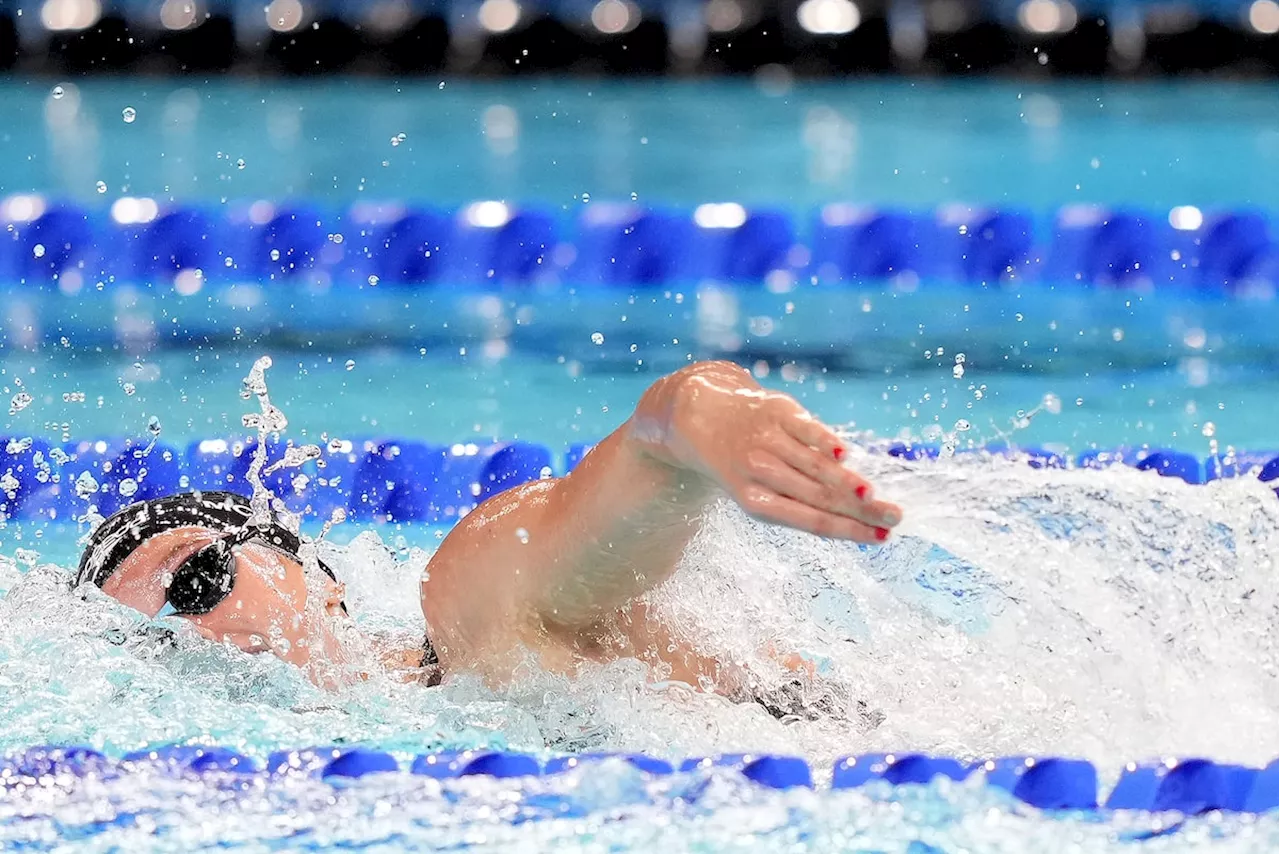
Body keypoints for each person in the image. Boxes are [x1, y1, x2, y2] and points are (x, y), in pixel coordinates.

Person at [77, 361, 903, 705]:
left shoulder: (469, 599)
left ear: (321, 578)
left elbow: (646, 453)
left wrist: (703, 416)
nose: (195, 629)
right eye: (159, 639)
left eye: (193, 578)